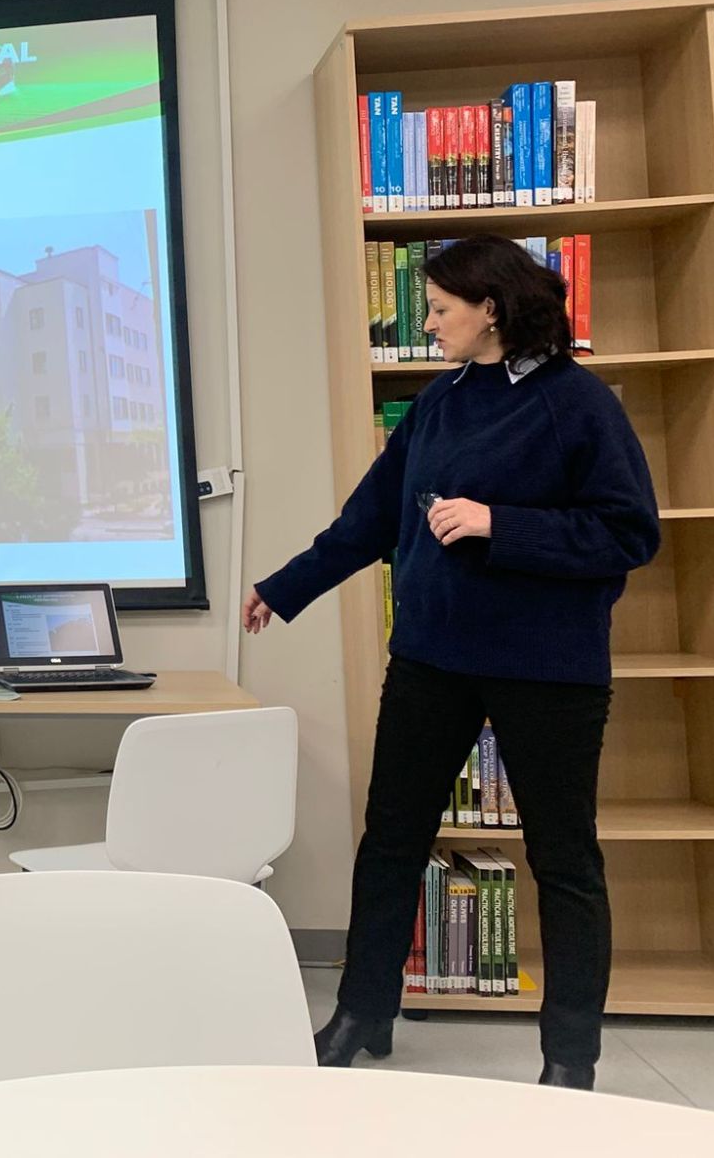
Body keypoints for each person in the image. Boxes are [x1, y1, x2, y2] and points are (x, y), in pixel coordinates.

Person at [243, 233, 658, 1090]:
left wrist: (499, 523)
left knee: (565, 862)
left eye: (438, 309)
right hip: (432, 658)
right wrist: (283, 588)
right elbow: (369, 520)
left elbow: (629, 532)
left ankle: (570, 1059)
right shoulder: (438, 402)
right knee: (391, 839)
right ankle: (362, 1013)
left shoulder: (577, 402)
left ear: (490, 310)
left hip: (548, 670)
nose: (428, 324)